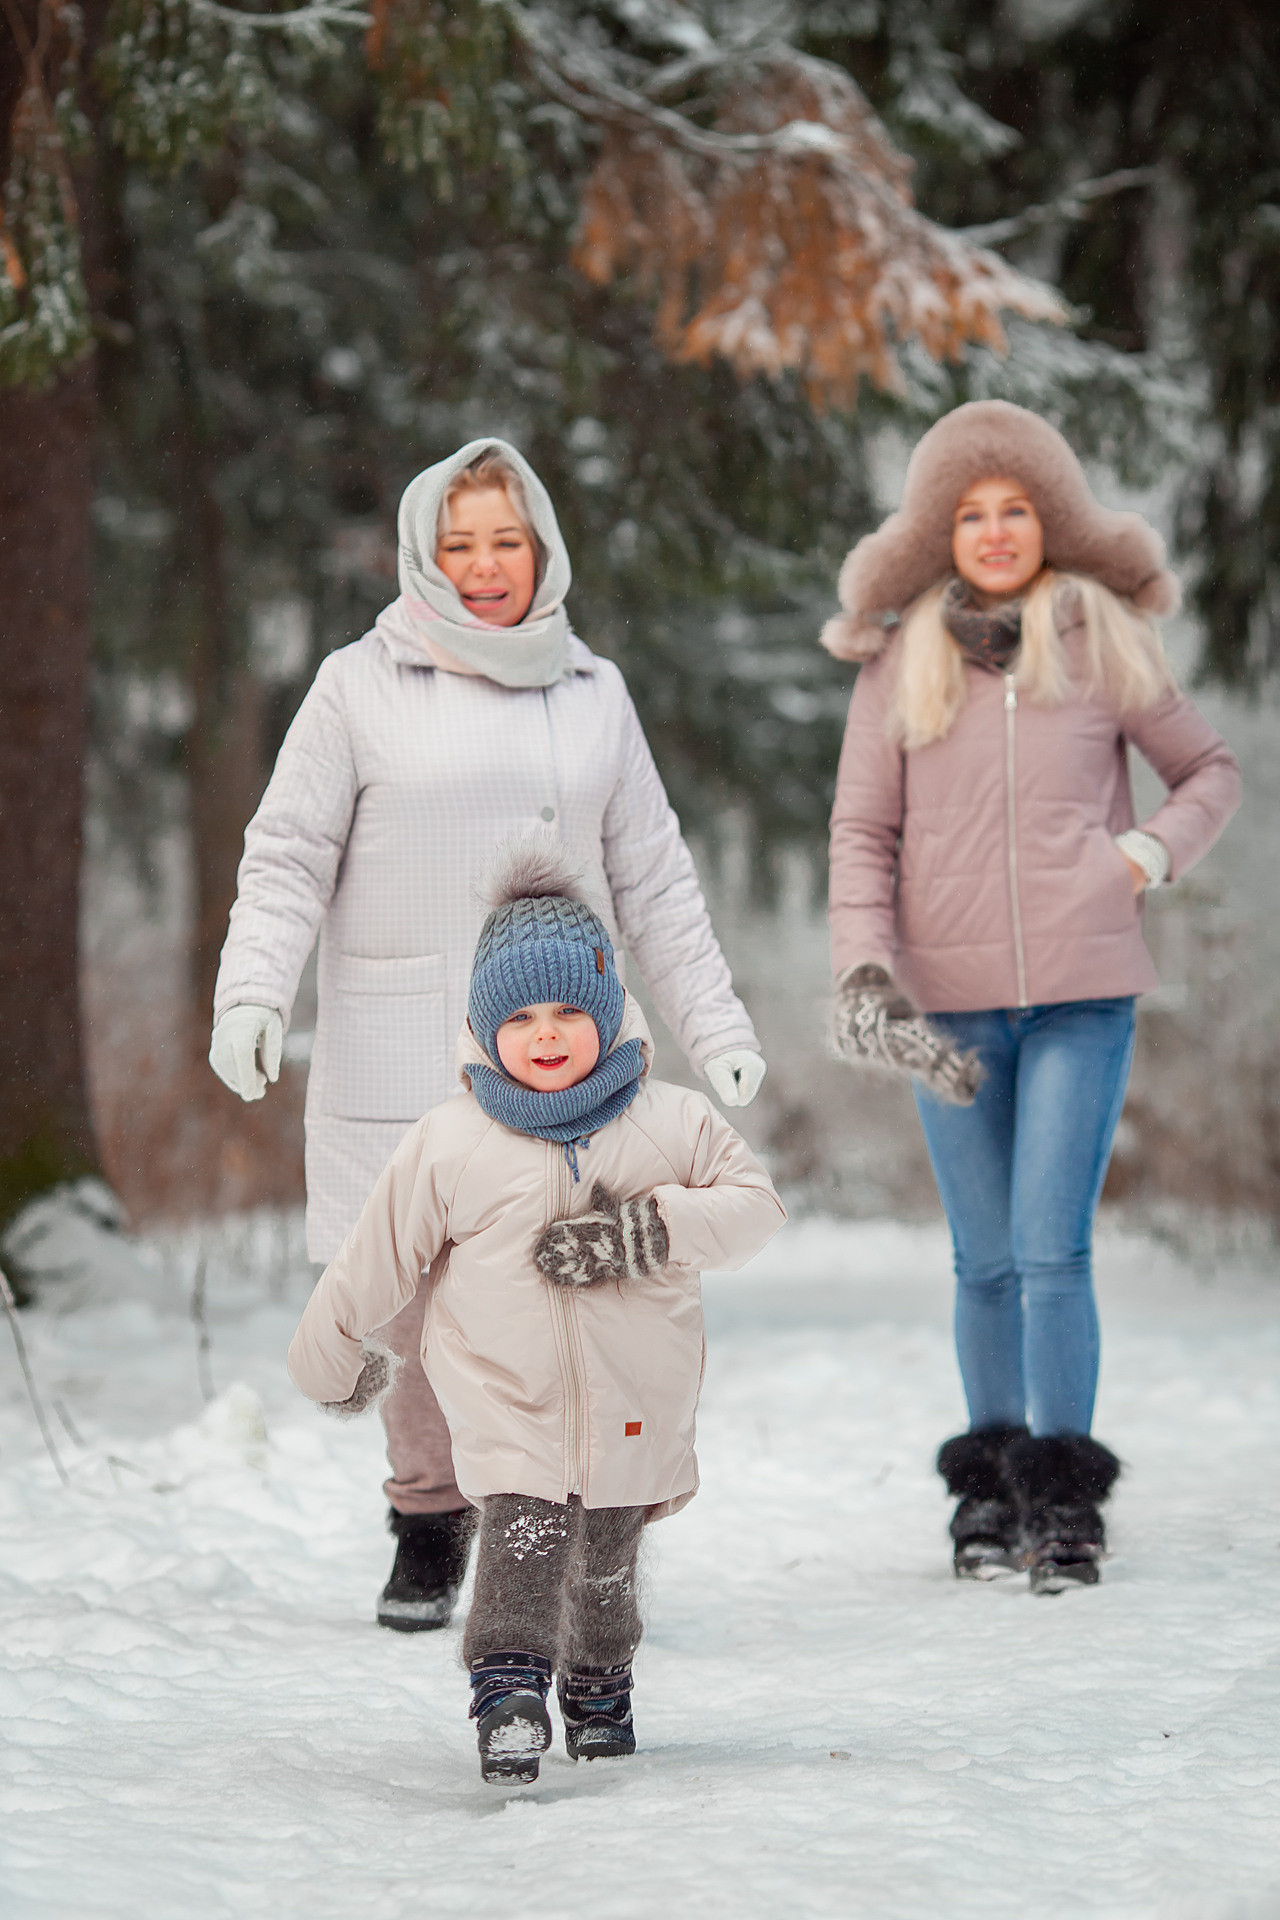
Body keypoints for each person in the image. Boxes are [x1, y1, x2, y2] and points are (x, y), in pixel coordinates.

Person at [208, 440, 767, 1630]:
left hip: (566, 1051)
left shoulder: (592, 690)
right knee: (421, 1295)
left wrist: (712, 1023)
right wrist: (252, 993)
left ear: (542, 549)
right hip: (407, 1042)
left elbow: (653, 876)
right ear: (422, 553)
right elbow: (289, 853)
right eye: (457, 544)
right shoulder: (360, 684)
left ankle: (559, 1529)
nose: (482, 565)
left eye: (503, 541)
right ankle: (427, 1515)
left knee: (564, 1299)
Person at [821, 401, 1240, 1593]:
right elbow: (860, 830)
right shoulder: (899, 659)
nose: (994, 532)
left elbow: (1205, 770)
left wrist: (1142, 853)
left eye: (1014, 511)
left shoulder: (1098, 638)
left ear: (1045, 523)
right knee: (981, 1260)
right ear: (938, 531)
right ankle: (984, 1496)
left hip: (1080, 995)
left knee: (1051, 1251)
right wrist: (863, 963)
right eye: (969, 513)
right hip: (943, 1008)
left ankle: (1061, 1500)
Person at [286, 840, 786, 1782]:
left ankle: (600, 1684)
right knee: (522, 1543)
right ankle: (507, 1693)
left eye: (568, 1011)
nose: (546, 1033)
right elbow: (375, 1254)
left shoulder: (670, 1121)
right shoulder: (450, 1139)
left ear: (607, 1011)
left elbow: (755, 1208)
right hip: (508, 1401)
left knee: (603, 1564)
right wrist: (328, 1352)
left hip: (636, 1402)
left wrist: (645, 1232)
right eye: (518, 1015)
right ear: (484, 1025)